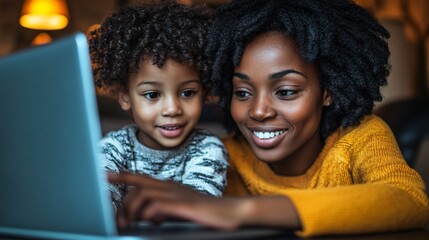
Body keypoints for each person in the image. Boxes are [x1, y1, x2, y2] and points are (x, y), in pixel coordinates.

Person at [107, 0, 429, 237]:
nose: (259, 111)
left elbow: (410, 199)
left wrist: (239, 210)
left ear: (327, 90)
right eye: (243, 93)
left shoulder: (360, 138)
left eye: (286, 91)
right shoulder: (223, 158)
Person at [87, 1, 228, 212]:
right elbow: (100, 202)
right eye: (152, 94)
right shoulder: (113, 147)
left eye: (187, 93)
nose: (172, 109)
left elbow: (198, 207)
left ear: (204, 93)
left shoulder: (208, 149)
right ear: (125, 97)